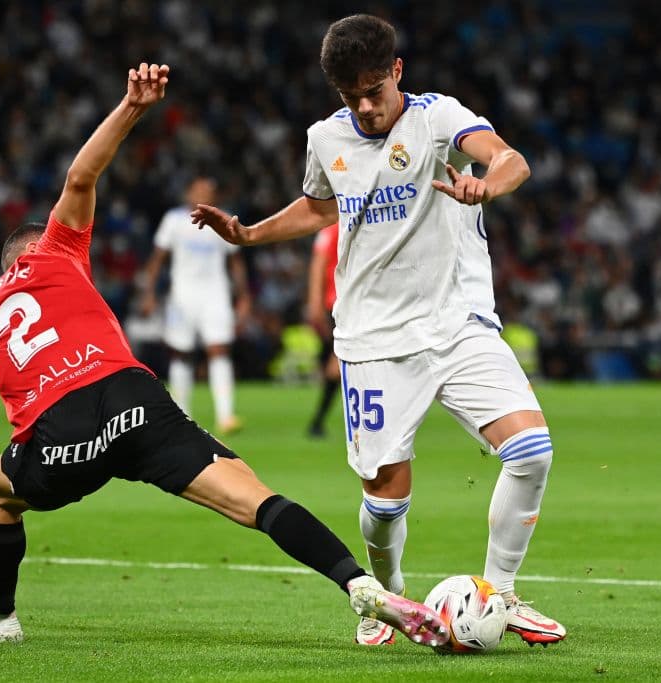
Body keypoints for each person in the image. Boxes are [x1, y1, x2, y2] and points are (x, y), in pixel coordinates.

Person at [0, 63, 447, 649]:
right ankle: (359, 584)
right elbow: (81, 178)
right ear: (33, 250)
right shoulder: (56, 252)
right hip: (134, 402)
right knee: (256, 500)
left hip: (60, 434)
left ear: (3, 266)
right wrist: (131, 107)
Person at [193, 15, 566, 647]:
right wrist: (250, 234)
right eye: (350, 96)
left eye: (374, 89)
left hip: (457, 323)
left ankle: (499, 593)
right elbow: (318, 205)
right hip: (373, 340)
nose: (366, 107)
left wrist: (485, 185)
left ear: (397, 71)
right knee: (386, 496)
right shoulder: (324, 138)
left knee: (531, 452)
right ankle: (385, 601)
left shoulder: (437, 117)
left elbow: (511, 160)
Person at [140, 176, 248, 435]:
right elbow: (157, 259)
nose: (202, 195)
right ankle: (182, 415)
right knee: (181, 352)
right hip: (182, 295)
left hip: (216, 294)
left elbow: (235, 262)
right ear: (188, 192)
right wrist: (149, 293)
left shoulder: (222, 220)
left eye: (208, 191)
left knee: (219, 349)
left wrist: (244, 296)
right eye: (198, 190)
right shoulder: (174, 220)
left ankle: (225, 415)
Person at [304, 223, 340, 438]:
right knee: (336, 366)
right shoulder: (331, 229)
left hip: (351, 303)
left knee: (337, 364)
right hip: (337, 304)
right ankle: (317, 422)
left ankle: (317, 422)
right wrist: (315, 303)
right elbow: (318, 265)